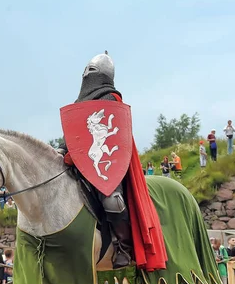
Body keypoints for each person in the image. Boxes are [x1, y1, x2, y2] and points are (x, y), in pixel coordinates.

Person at [58, 51, 165, 270]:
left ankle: (123, 248)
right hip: (79, 165)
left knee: (112, 200)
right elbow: (74, 134)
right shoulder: (79, 103)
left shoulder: (111, 100)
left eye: (92, 71)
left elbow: (115, 135)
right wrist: (62, 150)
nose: (88, 75)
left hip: (106, 167)